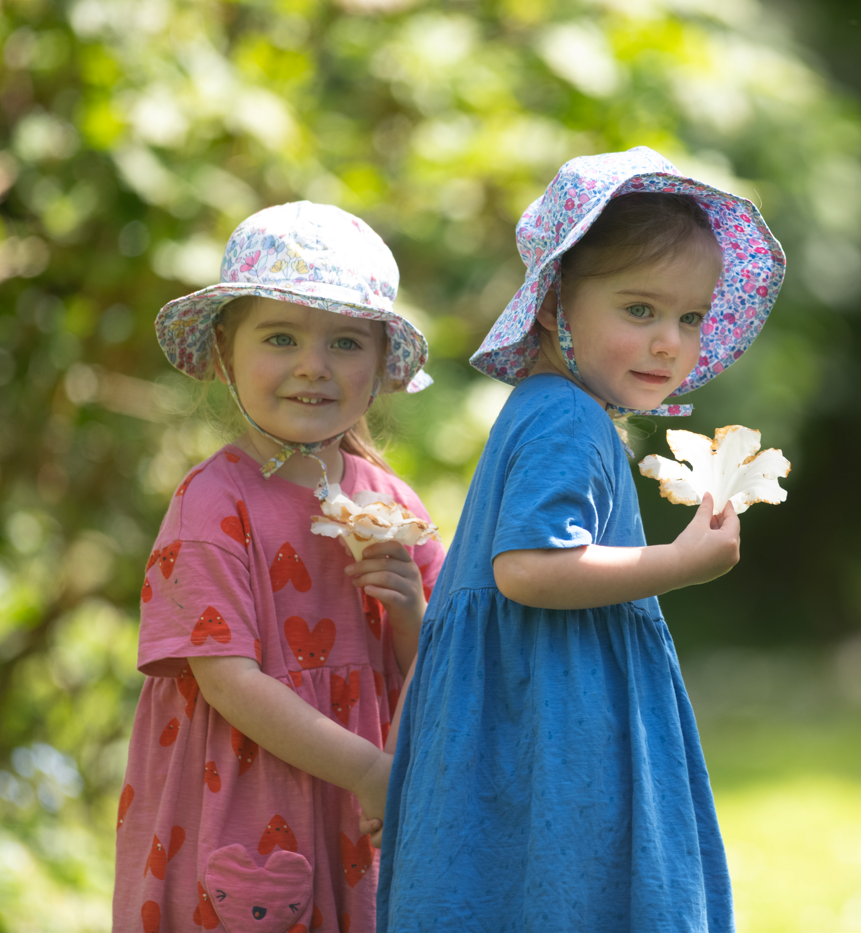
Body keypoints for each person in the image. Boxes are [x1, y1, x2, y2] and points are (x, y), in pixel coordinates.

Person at [376, 147, 785, 932]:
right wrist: (677, 563)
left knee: (500, 890)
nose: (669, 341)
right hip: (548, 722)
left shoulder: (558, 410)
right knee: (568, 891)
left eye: (690, 317)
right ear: (553, 304)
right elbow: (529, 569)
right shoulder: (566, 417)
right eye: (639, 310)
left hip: (524, 710)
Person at [113, 202, 446, 933]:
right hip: (248, 793)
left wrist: (410, 618)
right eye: (281, 336)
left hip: (374, 804)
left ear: (379, 362)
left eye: (346, 341)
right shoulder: (214, 502)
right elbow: (226, 677)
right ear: (227, 350)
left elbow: (442, 665)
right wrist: (363, 769)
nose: (312, 365)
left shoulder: (390, 504)